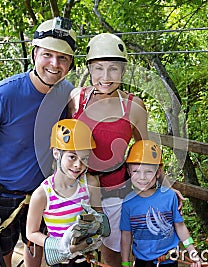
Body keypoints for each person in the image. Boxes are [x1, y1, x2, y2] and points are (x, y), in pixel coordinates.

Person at [0, 17, 77, 267]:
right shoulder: (3, 95)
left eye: (63, 58)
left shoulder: (66, 94)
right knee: (3, 250)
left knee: (34, 244)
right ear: (35, 54)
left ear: (69, 64)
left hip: (41, 191)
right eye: (47, 55)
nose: (54, 64)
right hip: (1, 192)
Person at [67, 33, 148, 267]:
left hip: (114, 190)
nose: (105, 77)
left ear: (123, 71)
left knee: (113, 254)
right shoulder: (76, 99)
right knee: (76, 254)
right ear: (89, 69)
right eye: (98, 68)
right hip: (77, 189)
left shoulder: (133, 106)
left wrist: (161, 189)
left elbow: (144, 152)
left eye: (113, 69)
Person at [27, 119, 110, 267]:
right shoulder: (42, 195)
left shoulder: (90, 184)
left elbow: (99, 213)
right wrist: (60, 245)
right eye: (72, 157)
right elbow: (31, 233)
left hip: (86, 258)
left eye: (84, 158)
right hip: (60, 260)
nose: (79, 165)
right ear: (56, 153)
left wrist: (98, 229)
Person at [120, 140, 201, 267]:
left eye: (149, 172)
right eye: (136, 171)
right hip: (143, 262)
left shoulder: (169, 197)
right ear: (129, 172)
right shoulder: (128, 203)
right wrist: (125, 262)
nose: (142, 177)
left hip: (169, 260)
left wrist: (192, 252)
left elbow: (180, 226)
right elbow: (126, 235)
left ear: (158, 173)